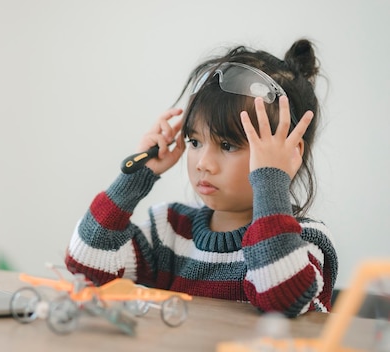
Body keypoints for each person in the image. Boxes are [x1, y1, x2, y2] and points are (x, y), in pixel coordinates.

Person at [65, 39, 338, 318]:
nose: (203, 164)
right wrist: (137, 175)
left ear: (289, 154)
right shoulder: (171, 229)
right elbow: (87, 265)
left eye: (227, 145)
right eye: (194, 142)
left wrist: (271, 179)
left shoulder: (305, 239)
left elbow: (282, 300)